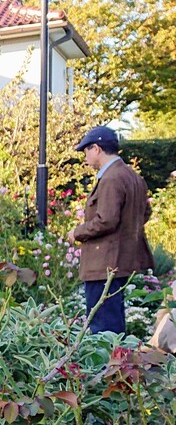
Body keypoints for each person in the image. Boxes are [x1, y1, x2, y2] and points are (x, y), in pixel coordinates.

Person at [68, 125, 154, 335]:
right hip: (120, 261)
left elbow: (106, 220)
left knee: (102, 327)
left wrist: (77, 232)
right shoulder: (133, 177)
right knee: (113, 321)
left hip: (103, 263)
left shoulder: (111, 178)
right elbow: (145, 212)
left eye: (86, 150)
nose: (85, 156)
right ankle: (118, 366)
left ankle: (107, 368)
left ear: (96, 148)